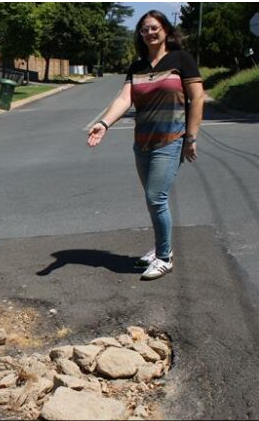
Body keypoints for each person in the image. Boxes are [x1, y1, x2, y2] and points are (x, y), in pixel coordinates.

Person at [86, 10, 205, 280]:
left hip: (170, 140)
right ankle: (161, 247)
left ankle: (165, 258)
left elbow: (197, 98)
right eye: (144, 30)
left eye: (154, 28)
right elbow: (124, 99)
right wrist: (104, 123)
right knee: (153, 201)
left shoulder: (181, 60)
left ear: (165, 30)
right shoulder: (137, 67)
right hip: (142, 143)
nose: (149, 33)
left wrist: (191, 137)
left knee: (156, 197)